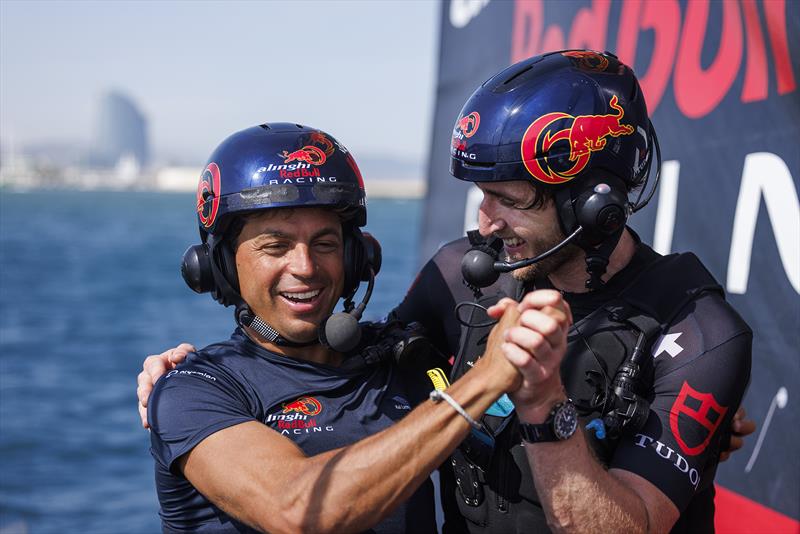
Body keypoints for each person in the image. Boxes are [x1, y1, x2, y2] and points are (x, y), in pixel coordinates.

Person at [140, 52, 755, 532]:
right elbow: (304, 503)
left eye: (510, 201)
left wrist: (565, 407)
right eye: (275, 245)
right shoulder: (457, 277)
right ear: (220, 266)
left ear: (595, 206)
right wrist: (181, 381)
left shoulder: (698, 333)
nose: (485, 221)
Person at [146, 122, 551, 533]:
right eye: (276, 246)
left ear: (358, 258)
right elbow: (299, 510)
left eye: (325, 244)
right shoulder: (192, 390)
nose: (305, 268)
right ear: (222, 266)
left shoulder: (400, 358)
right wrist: (483, 381)